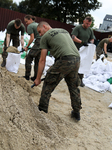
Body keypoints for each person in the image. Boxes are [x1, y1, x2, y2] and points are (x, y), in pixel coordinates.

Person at [34, 21, 82, 121]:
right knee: (73, 86)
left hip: (64, 59)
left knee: (48, 83)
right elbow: (65, 47)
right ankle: (76, 112)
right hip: (76, 59)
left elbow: (42, 60)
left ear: (44, 26)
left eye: (39, 31)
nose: (40, 34)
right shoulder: (64, 30)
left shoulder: (45, 37)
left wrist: (38, 78)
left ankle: (41, 111)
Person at [71, 16, 94, 87]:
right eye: (87, 23)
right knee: (73, 64)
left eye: (89, 24)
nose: (88, 25)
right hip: (75, 49)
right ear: (84, 21)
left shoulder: (90, 30)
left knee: (82, 64)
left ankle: (80, 80)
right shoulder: (78, 28)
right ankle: (70, 78)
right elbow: (73, 37)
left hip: (84, 51)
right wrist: (82, 42)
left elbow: (92, 39)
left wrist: (90, 43)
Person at [24, 15, 41, 81]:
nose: (26, 23)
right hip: (45, 43)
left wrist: (27, 46)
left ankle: (27, 76)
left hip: (38, 42)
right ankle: (35, 77)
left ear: (30, 19)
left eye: (26, 21)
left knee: (28, 58)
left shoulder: (30, 26)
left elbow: (32, 38)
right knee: (37, 61)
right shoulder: (37, 24)